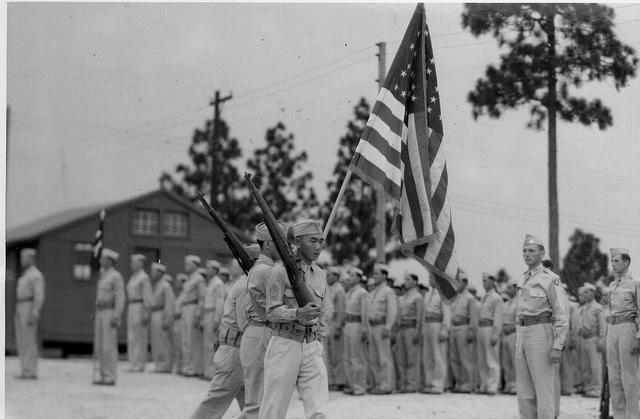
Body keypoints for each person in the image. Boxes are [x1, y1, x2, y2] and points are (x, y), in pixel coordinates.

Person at [259, 219, 328, 419]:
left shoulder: (320, 274)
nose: (318, 247)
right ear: (296, 243)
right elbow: (271, 312)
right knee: (274, 409)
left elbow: (322, 314)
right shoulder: (279, 272)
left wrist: (318, 343)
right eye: (312, 241)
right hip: (285, 343)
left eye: (321, 241)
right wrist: (298, 314)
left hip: (311, 344)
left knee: (319, 408)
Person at [189, 244, 259, 419]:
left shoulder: (246, 282)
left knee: (254, 404)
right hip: (235, 352)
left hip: (238, 352)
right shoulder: (247, 286)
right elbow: (247, 324)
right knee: (214, 405)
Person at [516, 234, 568, 419]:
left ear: (541, 253)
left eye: (531, 251)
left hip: (541, 333)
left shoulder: (550, 278)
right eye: (524, 250)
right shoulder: (523, 278)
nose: (527, 254)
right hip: (523, 333)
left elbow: (561, 314)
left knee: (544, 389)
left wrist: (557, 345)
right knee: (524, 390)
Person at [240, 221, 285, 419]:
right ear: (267, 244)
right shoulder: (266, 271)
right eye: (279, 242)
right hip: (262, 331)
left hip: (257, 331)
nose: (283, 247)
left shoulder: (262, 268)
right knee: (257, 401)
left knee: (260, 398)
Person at [607, 248, 640, 419]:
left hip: (628, 327)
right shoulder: (612, 285)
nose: (613, 264)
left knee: (629, 375)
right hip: (612, 328)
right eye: (612, 261)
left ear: (626, 262)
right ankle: (619, 414)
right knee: (614, 375)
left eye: (617, 261)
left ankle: (633, 415)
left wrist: (638, 337)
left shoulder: (635, 284)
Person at [92, 249, 125, 385]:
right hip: (100, 311)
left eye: (103, 258)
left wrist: (117, 314)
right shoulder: (103, 275)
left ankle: (110, 376)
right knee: (99, 344)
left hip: (109, 311)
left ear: (110, 261)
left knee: (108, 345)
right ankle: (102, 374)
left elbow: (120, 296)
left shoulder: (115, 276)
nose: (100, 260)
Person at [365, 263, 398, 395]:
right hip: (372, 326)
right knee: (373, 357)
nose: (374, 276)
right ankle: (378, 384)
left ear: (384, 275)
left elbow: (392, 311)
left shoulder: (388, 291)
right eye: (374, 274)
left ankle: (386, 385)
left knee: (384, 357)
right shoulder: (372, 292)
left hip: (381, 326)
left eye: (377, 273)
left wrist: (388, 327)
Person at [14, 248, 45, 379]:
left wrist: (35, 311)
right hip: (20, 305)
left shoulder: (36, 275)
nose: (22, 261)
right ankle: (24, 368)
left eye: (24, 258)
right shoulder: (25, 274)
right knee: (21, 339)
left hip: (29, 305)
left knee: (29, 340)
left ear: (31, 259)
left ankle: (30, 370)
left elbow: (39, 295)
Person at [421, 273, 451, 394]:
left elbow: (447, 313)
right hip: (428, 325)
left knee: (438, 355)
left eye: (431, 278)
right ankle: (429, 383)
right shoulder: (428, 294)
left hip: (437, 325)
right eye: (428, 277)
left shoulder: (443, 293)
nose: (429, 280)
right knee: (428, 356)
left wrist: (444, 330)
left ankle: (438, 384)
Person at [449, 270, 478, 393]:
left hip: (464, 327)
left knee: (464, 357)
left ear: (465, 283)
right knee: (454, 357)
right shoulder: (455, 297)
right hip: (454, 327)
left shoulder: (470, 298)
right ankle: (459, 382)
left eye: (458, 282)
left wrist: (472, 331)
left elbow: (473, 317)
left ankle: (467, 383)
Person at [575, 282, 606, 398]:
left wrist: (601, 340)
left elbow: (602, 326)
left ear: (593, 293)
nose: (585, 294)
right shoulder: (583, 308)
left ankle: (596, 389)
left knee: (595, 365)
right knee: (585, 365)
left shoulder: (597, 308)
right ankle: (588, 387)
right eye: (584, 292)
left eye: (587, 292)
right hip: (583, 338)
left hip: (593, 338)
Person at [342, 267, 369, 396]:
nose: (350, 278)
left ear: (358, 278)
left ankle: (360, 386)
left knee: (357, 357)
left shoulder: (362, 292)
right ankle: (352, 384)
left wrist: (365, 329)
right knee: (347, 356)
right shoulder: (348, 292)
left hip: (357, 325)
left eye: (352, 276)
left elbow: (365, 312)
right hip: (348, 324)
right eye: (349, 275)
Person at [396, 273, 423, 393]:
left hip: (411, 328)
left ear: (415, 282)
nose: (405, 281)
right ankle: (404, 383)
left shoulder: (417, 297)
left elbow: (420, 316)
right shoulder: (402, 297)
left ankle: (412, 384)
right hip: (402, 328)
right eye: (405, 279)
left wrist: (418, 331)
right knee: (402, 357)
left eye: (408, 279)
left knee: (412, 357)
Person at [477, 273, 503, 395]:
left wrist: (495, 334)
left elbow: (498, 318)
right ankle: (484, 385)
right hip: (481, 328)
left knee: (492, 360)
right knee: (482, 359)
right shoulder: (484, 297)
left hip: (489, 328)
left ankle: (492, 387)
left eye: (486, 281)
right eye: (482, 281)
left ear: (493, 282)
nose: (484, 283)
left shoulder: (496, 297)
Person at [126, 254, 153, 372]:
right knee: (131, 336)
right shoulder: (133, 277)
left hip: (140, 306)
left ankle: (139, 364)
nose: (132, 264)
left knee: (139, 336)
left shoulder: (144, 277)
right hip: (131, 306)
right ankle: (132, 363)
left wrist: (146, 312)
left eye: (134, 262)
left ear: (140, 263)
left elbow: (147, 296)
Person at [181, 255, 206, 377]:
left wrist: (198, 314)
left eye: (189, 264)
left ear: (195, 265)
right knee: (185, 339)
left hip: (193, 307)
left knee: (192, 339)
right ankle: (187, 366)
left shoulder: (199, 279)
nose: (187, 266)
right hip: (185, 307)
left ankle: (193, 368)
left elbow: (202, 297)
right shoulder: (189, 278)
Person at [149, 264, 175, 373]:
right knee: (156, 341)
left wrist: (167, 319)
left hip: (161, 314)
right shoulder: (156, 285)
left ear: (160, 272)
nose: (152, 274)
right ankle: (158, 364)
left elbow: (169, 303)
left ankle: (165, 365)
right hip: (155, 313)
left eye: (154, 272)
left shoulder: (165, 285)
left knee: (163, 341)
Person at [325, 266, 347, 391]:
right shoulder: (329, 289)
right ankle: (331, 380)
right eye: (327, 275)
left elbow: (341, 310)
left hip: (335, 324)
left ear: (337, 277)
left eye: (330, 275)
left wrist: (338, 326)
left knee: (337, 354)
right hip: (328, 323)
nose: (327, 277)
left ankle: (339, 381)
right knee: (328, 353)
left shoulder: (339, 290)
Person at [203, 259, 224, 380]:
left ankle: (212, 372)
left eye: (209, 268)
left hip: (212, 314)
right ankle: (207, 371)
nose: (207, 271)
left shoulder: (218, 283)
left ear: (215, 270)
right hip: (207, 313)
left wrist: (217, 318)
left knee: (211, 344)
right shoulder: (210, 283)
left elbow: (219, 302)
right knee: (206, 343)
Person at [500, 279, 517, 395]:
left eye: (510, 287)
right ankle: (508, 385)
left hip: (514, 333)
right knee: (506, 361)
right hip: (505, 333)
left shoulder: (519, 303)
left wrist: (512, 327)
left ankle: (516, 386)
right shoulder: (505, 304)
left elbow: (520, 319)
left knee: (514, 361)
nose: (508, 290)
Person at [172, 273, 187, 375]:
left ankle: (183, 367)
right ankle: (178, 367)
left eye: (178, 282)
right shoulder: (177, 295)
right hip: (176, 322)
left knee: (183, 345)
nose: (176, 284)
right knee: (177, 345)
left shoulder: (185, 296)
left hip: (182, 321)